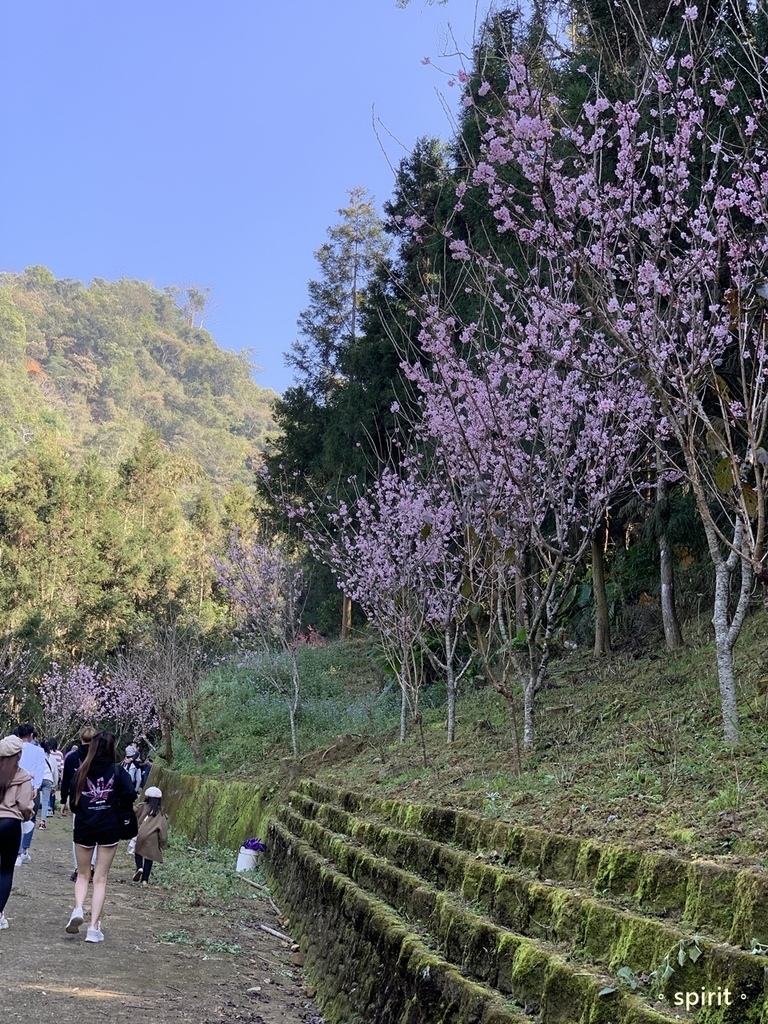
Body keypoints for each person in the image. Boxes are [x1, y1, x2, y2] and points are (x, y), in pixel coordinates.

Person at [64, 731, 135, 942]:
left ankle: (78, 909)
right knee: (101, 879)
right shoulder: (117, 771)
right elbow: (130, 793)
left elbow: (74, 804)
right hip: (108, 827)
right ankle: (94, 928)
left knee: (83, 875)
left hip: (84, 827)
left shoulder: (81, 770)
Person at [0, 735, 34, 929]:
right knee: (5, 870)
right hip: (10, 824)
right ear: (18, 755)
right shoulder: (22, 776)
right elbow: (24, 805)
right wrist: (27, 816)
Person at [60, 725, 98, 881]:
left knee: (78, 835)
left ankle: (78, 868)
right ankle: (91, 867)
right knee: (95, 836)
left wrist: (63, 801)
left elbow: (66, 781)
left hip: (78, 801)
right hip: (97, 801)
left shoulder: (72, 758)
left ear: (81, 738)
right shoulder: (99, 757)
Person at [15, 724, 47, 865]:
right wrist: (36, 787)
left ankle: (17, 852)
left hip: (14, 786)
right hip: (30, 785)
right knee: (30, 818)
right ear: (32, 736)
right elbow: (39, 769)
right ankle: (23, 850)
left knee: (15, 817)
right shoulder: (38, 751)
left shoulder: (14, 748)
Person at [132, 786, 168, 887]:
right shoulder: (161, 813)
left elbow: (133, 811)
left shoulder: (142, 806)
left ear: (147, 797)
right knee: (149, 858)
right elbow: (163, 831)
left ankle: (139, 867)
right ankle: (144, 881)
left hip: (141, 834)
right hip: (152, 838)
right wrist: (163, 844)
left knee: (138, 852)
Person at [37, 740, 58, 829]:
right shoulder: (52, 758)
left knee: (35, 800)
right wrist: (55, 785)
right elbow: (55, 772)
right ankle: (42, 822)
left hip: (38, 779)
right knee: (45, 802)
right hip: (48, 779)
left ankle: (31, 819)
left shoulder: (37, 757)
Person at [47, 737, 65, 817]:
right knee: (53, 792)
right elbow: (62, 767)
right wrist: (62, 778)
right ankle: (52, 808)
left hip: (48, 774)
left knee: (48, 791)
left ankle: (49, 808)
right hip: (57, 775)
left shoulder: (47, 753)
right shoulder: (60, 754)